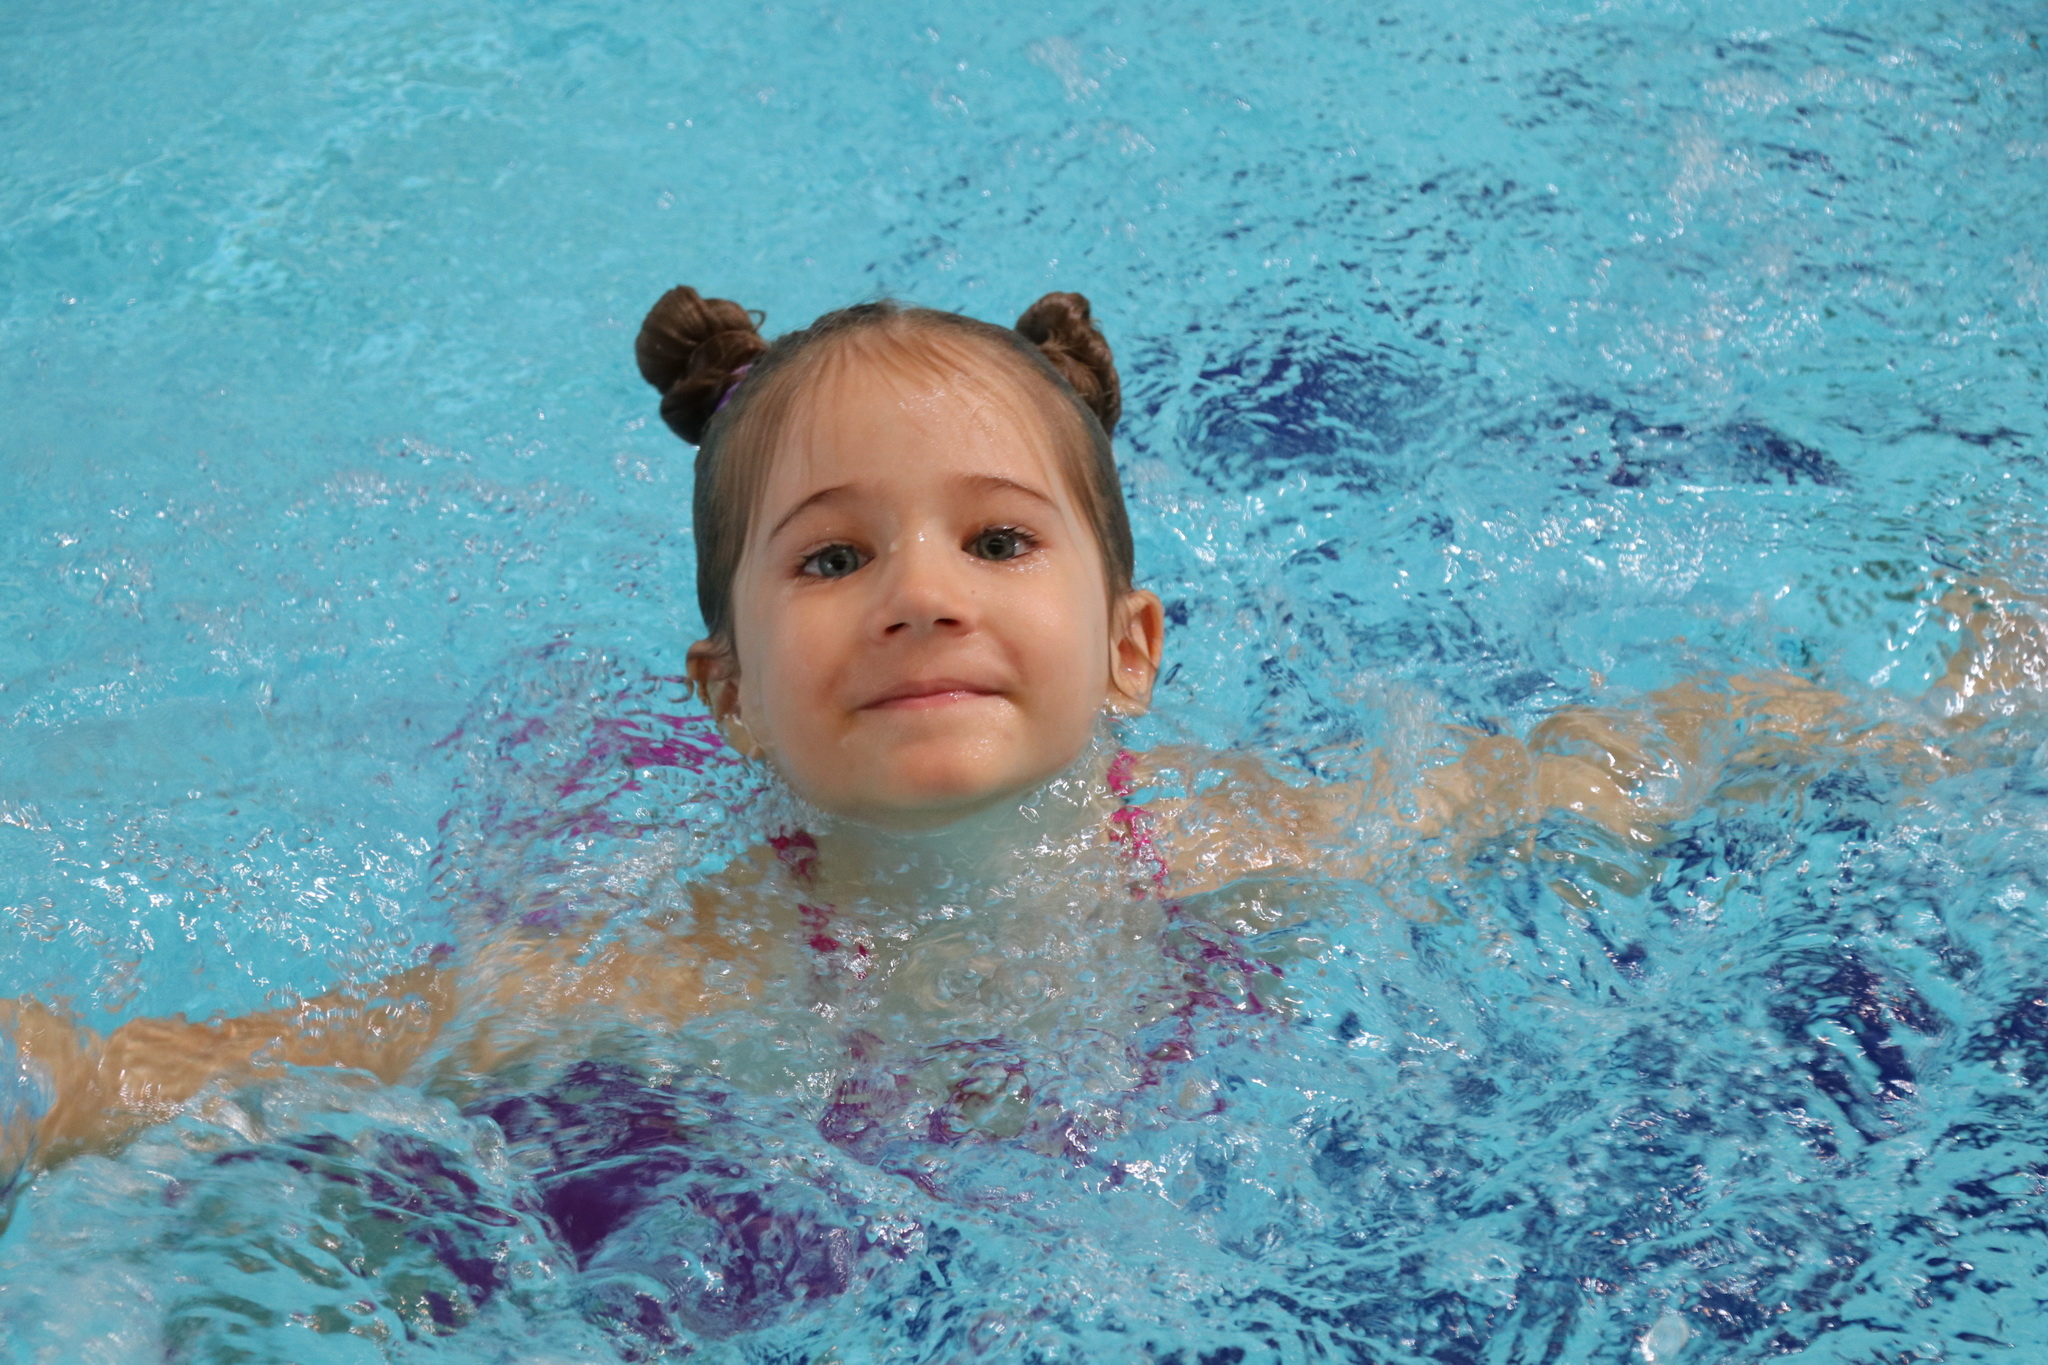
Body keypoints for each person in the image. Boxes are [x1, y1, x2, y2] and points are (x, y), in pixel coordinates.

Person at [1, 285, 2025, 1179]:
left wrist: (1949, 698)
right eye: (830, 559)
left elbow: (1608, 764)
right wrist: (65, 1080)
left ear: (1128, 647)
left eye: (994, 538)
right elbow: (311, 1048)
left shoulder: (1245, 834)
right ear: (728, 698)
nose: (920, 593)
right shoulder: (692, 962)